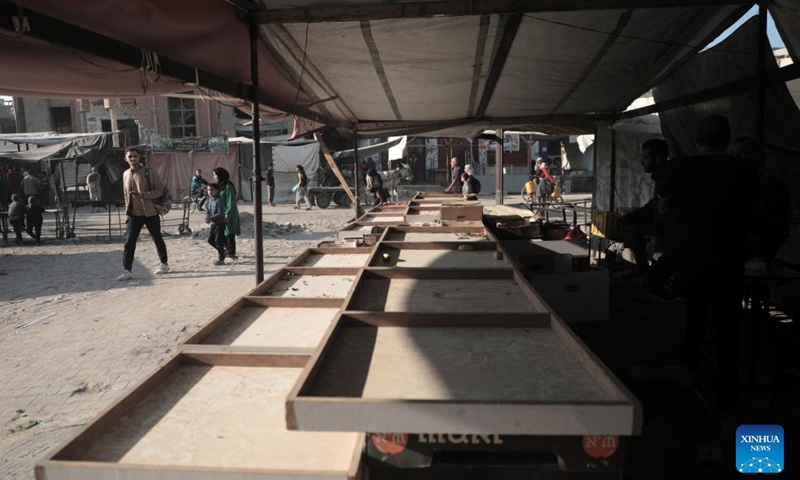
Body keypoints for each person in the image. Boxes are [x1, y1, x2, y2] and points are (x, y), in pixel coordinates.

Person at [658, 115, 760, 405]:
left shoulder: (678, 169)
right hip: (729, 259)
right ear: (726, 141)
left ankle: (690, 384)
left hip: (689, 257)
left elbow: (664, 210)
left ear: (696, 140)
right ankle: (726, 388)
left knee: (691, 323)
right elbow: (755, 213)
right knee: (728, 324)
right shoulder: (744, 170)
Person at [728, 136, 791, 265]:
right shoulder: (741, 181)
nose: (736, 159)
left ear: (757, 157)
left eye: (743, 154)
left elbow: (773, 229)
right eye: (732, 154)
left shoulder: (768, 187)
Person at [618, 139, 672, 282]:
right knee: (633, 228)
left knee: (633, 229)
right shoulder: (662, 175)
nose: (642, 162)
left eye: (646, 158)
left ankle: (646, 271)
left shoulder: (665, 178)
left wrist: (631, 217)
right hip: (662, 224)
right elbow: (654, 204)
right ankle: (644, 270)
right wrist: (633, 216)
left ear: (658, 160)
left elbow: (659, 208)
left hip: (666, 228)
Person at [117, 147, 170, 280]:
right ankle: (127, 270)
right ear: (126, 159)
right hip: (133, 214)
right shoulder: (125, 174)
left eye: (135, 156)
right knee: (129, 241)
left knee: (157, 238)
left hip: (150, 212)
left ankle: (164, 264)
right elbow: (125, 194)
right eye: (130, 156)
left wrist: (144, 195)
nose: (133, 159)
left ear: (139, 157)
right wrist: (127, 211)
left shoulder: (150, 172)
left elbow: (160, 190)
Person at [212, 167, 241, 260]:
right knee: (221, 233)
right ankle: (227, 250)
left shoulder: (228, 186)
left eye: (215, 175)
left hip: (229, 212)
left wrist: (228, 212)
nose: (214, 177)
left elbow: (231, 201)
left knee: (229, 232)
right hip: (221, 213)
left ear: (220, 175)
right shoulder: (220, 186)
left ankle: (231, 253)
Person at [204, 183, 227, 265]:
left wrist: (210, 218)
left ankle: (221, 259)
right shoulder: (208, 201)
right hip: (213, 224)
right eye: (208, 190)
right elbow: (207, 212)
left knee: (218, 241)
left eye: (212, 190)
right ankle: (224, 251)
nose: (210, 192)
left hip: (220, 223)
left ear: (217, 190)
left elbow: (221, 214)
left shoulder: (219, 200)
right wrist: (207, 218)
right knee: (210, 240)